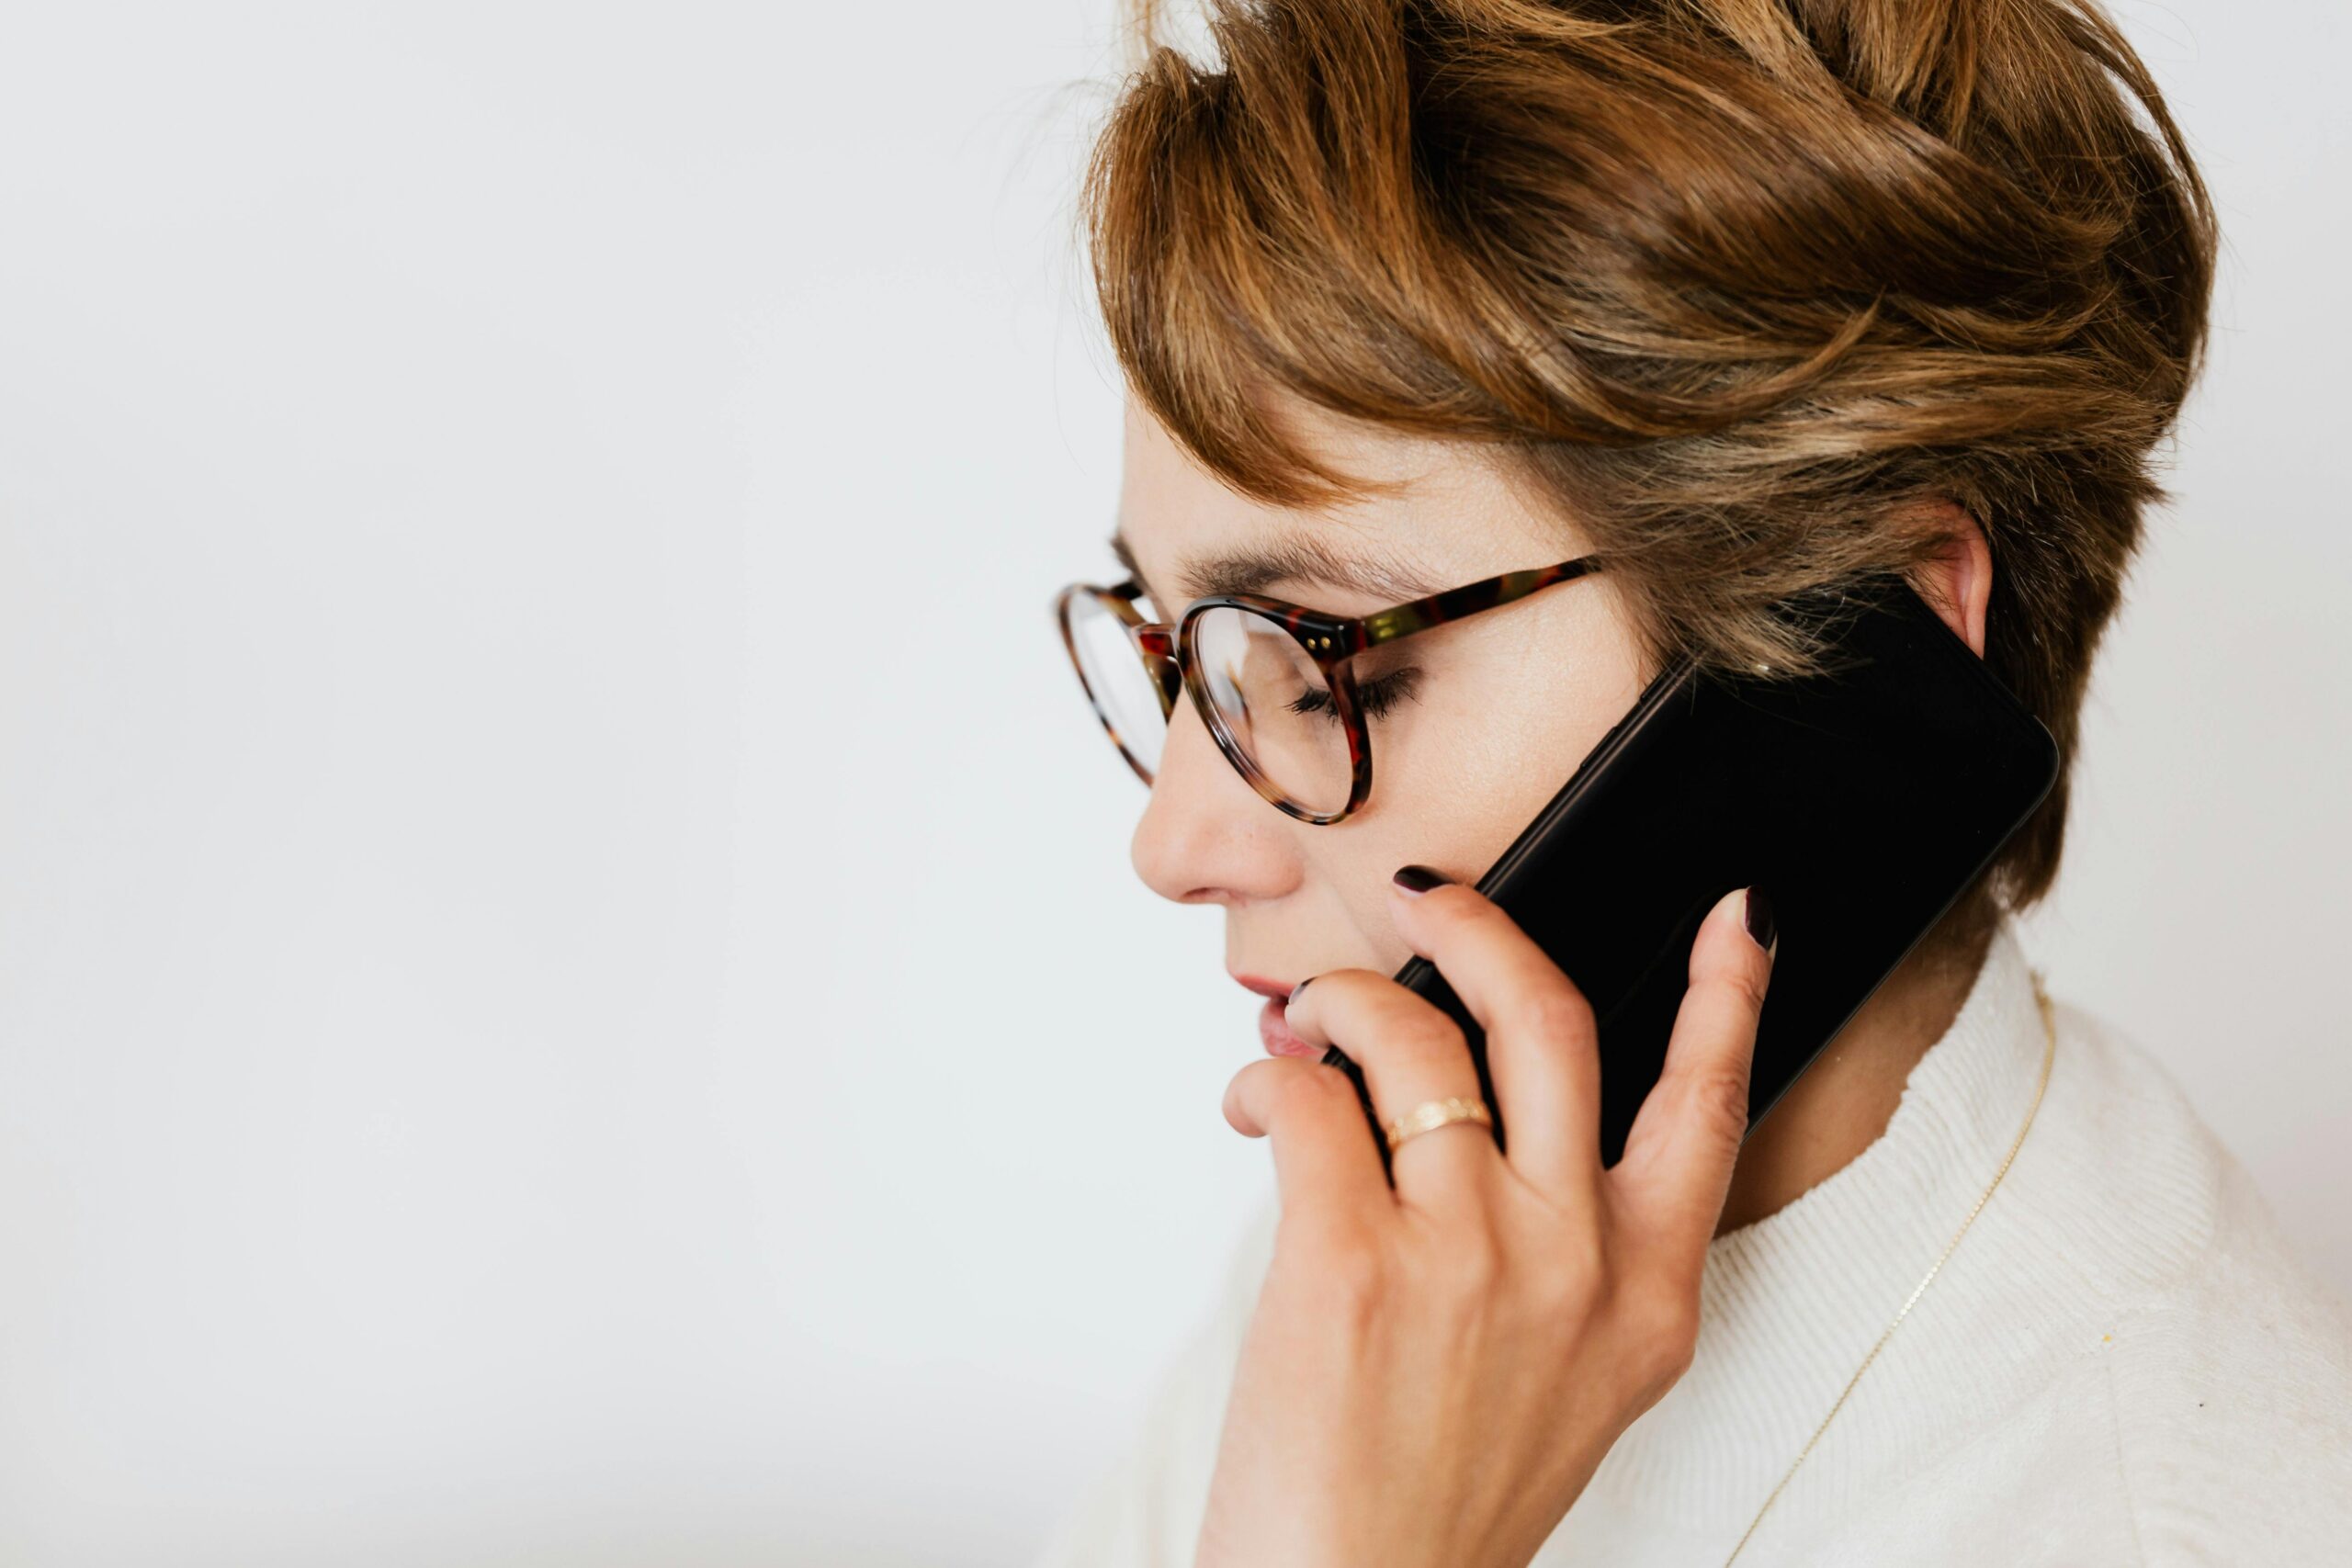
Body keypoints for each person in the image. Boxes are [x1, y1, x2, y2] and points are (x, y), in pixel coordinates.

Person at [1035, 2, 2352, 1563]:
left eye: (1323, 658)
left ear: (1868, 635)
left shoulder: (2163, 1513)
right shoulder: (1436, 1211)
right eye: (1180, 650)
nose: (1173, 840)